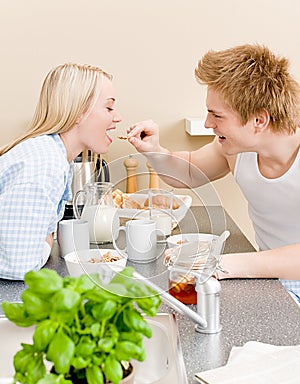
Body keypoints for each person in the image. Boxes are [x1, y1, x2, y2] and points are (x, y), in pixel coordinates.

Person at [127, 44, 300, 304]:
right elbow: (188, 172)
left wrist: (222, 264)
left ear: (259, 121)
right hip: (273, 279)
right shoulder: (236, 149)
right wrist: (154, 151)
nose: (208, 123)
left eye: (216, 115)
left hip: (271, 274)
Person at [0, 63, 121, 280]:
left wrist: (45, 238)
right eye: (109, 108)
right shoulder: (43, 165)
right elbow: (20, 267)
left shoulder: (52, 156)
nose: (117, 117)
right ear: (78, 113)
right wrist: (47, 240)